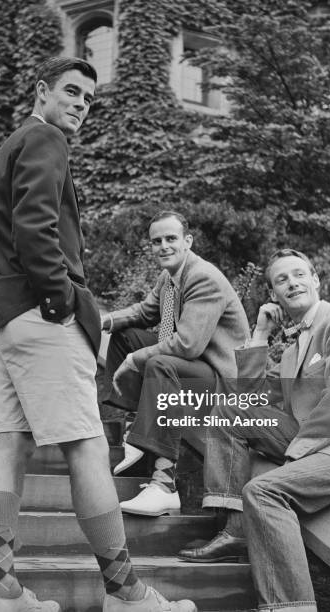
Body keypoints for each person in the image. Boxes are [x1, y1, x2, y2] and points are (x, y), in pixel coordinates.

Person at [0, 57, 196, 612]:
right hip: (37, 308)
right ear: (42, 91)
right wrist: (65, 302)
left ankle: (2, 589)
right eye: (70, 91)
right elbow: (36, 229)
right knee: (89, 446)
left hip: (0, 308)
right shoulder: (47, 138)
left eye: (89, 98)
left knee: (12, 442)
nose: (80, 103)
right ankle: (126, 593)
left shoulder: (15, 142)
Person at [177, 249, 330, 612]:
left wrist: (291, 460)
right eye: (281, 280)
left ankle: (290, 606)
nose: (292, 282)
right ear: (274, 296)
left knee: (263, 490)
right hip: (322, 441)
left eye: (298, 274)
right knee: (228, 413)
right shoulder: (295, 349)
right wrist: (261, 333)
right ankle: (234, 529)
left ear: (316, 281)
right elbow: (248, 400)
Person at [101, 211, 249, 516]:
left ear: (188, 241)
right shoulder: (169, 277)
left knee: (159, 363)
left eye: (171, 239)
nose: (163, 246)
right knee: (124, 336)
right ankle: (134, 427)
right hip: (195, 367)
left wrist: (135, 359)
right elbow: (144, 313)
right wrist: (105, 321)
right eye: (157, 241)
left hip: (221, 379)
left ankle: (165, 485)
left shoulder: (203, 277)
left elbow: (187, 345)